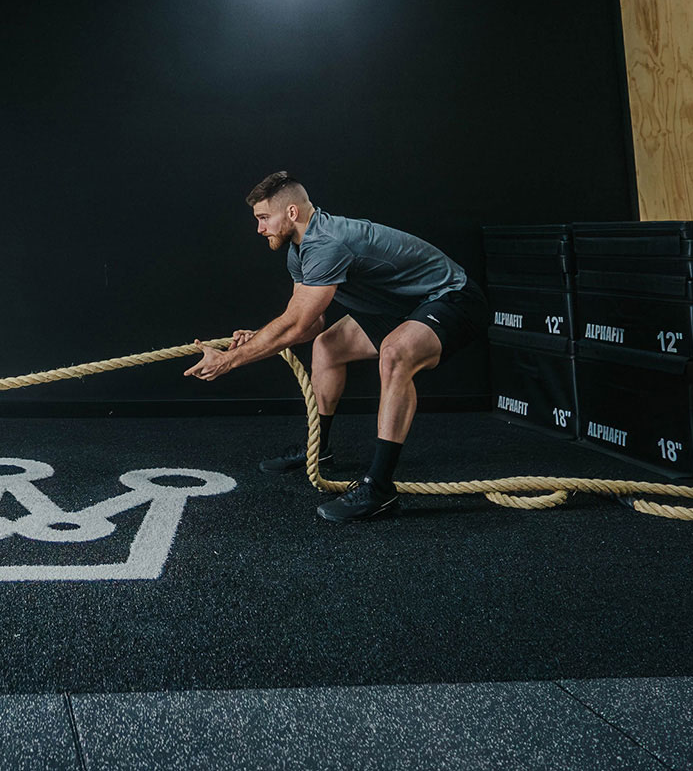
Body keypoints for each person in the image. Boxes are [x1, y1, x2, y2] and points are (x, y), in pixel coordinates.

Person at [183, 171, 486, 522]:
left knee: (394, 353)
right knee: (328, 345)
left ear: (292, 213)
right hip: (400, 309)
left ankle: (380, 488)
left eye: (264, 218)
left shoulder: (328, 242)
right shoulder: (299, 250)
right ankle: (320, 448)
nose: (260, 228)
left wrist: (228, 360)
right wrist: (258, 336)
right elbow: (310, 324)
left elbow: (294, 324)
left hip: (452, 299)